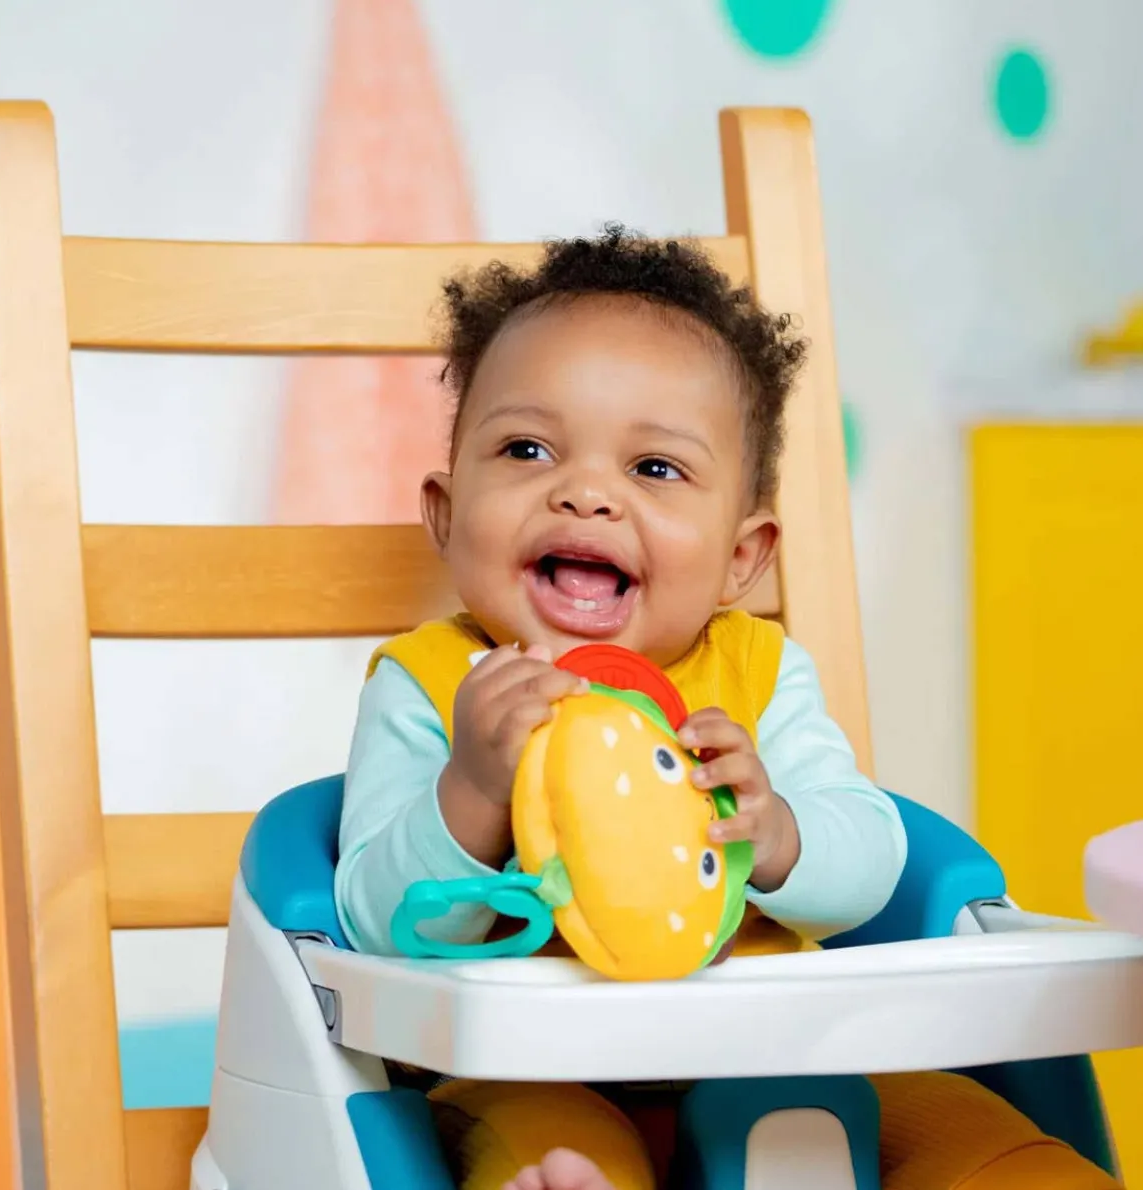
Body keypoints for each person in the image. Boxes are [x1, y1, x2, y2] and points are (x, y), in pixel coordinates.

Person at [334, 227, 1119, 1190]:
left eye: (654, 469)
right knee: (553, 1158)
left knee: (972, 1134)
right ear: (448, 515)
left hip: (783, 1049)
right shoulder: (433, 685)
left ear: (742, 560)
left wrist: (778, 829)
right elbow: (370, 920)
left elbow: (873, 857)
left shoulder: (760, 673)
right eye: (527, 448)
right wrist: (471, 788)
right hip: (534, 1072)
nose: (584, 494)